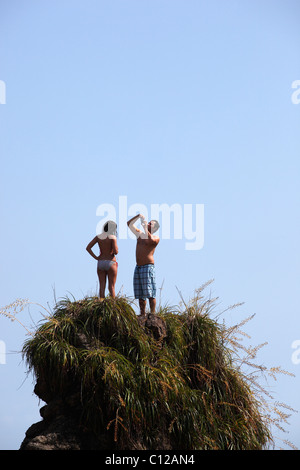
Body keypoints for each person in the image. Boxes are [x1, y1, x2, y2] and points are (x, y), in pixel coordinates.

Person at [127, 214, 160, 317]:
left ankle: (153, 314)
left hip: (148, 267)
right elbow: (129, 224)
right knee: (140, 294)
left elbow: (150, 241)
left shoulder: (155, 238)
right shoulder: (140, 235)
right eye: (148, 222)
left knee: (150, 292)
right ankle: (142, 314)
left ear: (154, 228)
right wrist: (138, 216)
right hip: (138, 267)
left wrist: (145, 227)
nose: (148, 223)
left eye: (151, 224)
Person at [86, 221, 118, 300]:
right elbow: (116, 251)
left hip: (101, 262)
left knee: (102, 285)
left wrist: (96, 257)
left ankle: (101, 303)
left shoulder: (99, 236)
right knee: (111, 286)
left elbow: (88, 248)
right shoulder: (112, 237)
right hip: (111, 262)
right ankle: (113, 304)